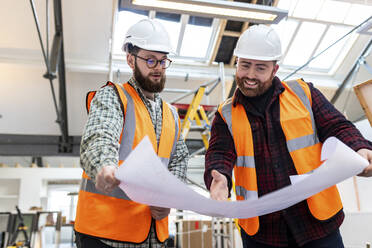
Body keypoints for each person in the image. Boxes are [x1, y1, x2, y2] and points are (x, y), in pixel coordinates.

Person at [204, 24, 372, 248]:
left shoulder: (304, 94)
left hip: (317, 223)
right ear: (237, 63)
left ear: (275, 70)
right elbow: (219, 153)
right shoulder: (225, 115)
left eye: (260, 68)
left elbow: (337, 126)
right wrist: (219, 179)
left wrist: (359, 148)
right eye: (245, 66)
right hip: (262, 232)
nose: (250, 75)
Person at [74, 18, 189, 248]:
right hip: (105, 237)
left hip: (154, 238)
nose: (158, 67)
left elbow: (179, 160)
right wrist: (104, 167)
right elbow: (99, 137)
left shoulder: (172, 115)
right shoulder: (113, 96)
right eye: (150, 60)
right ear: (130, 59)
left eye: (163, 61)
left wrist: (169, 198)